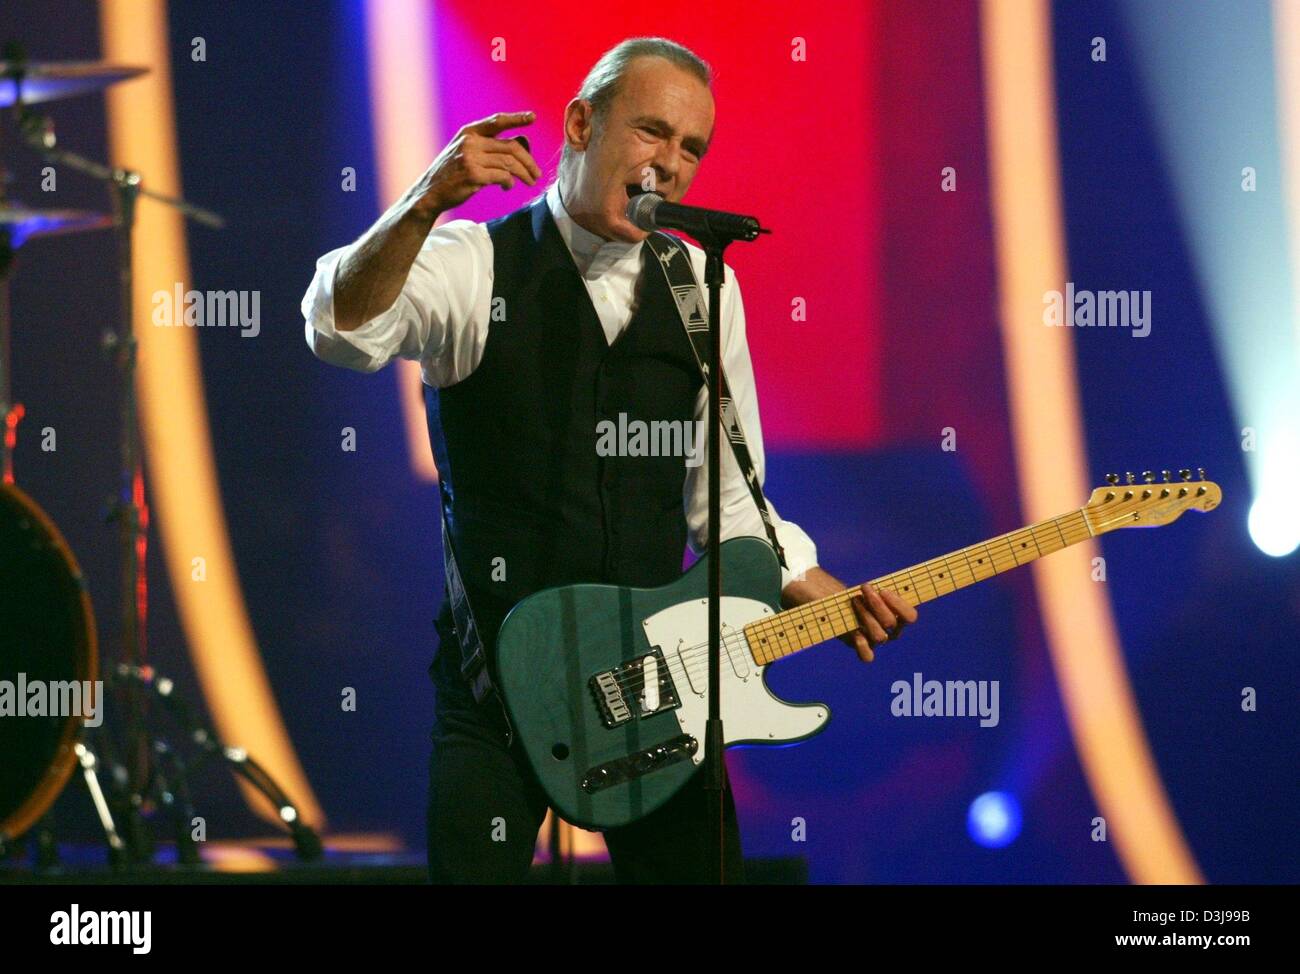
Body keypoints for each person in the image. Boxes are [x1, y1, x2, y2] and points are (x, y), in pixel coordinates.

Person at [302, 36, 917, 884]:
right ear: (582, 123)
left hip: (655, 689)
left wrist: (811, 580)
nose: (669, 164)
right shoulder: (475, 264)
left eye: (692, 148)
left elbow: (730, 501)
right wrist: (421, 204)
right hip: (498, 698)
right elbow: (339, 330)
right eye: (651, 132)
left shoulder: (706, 285)